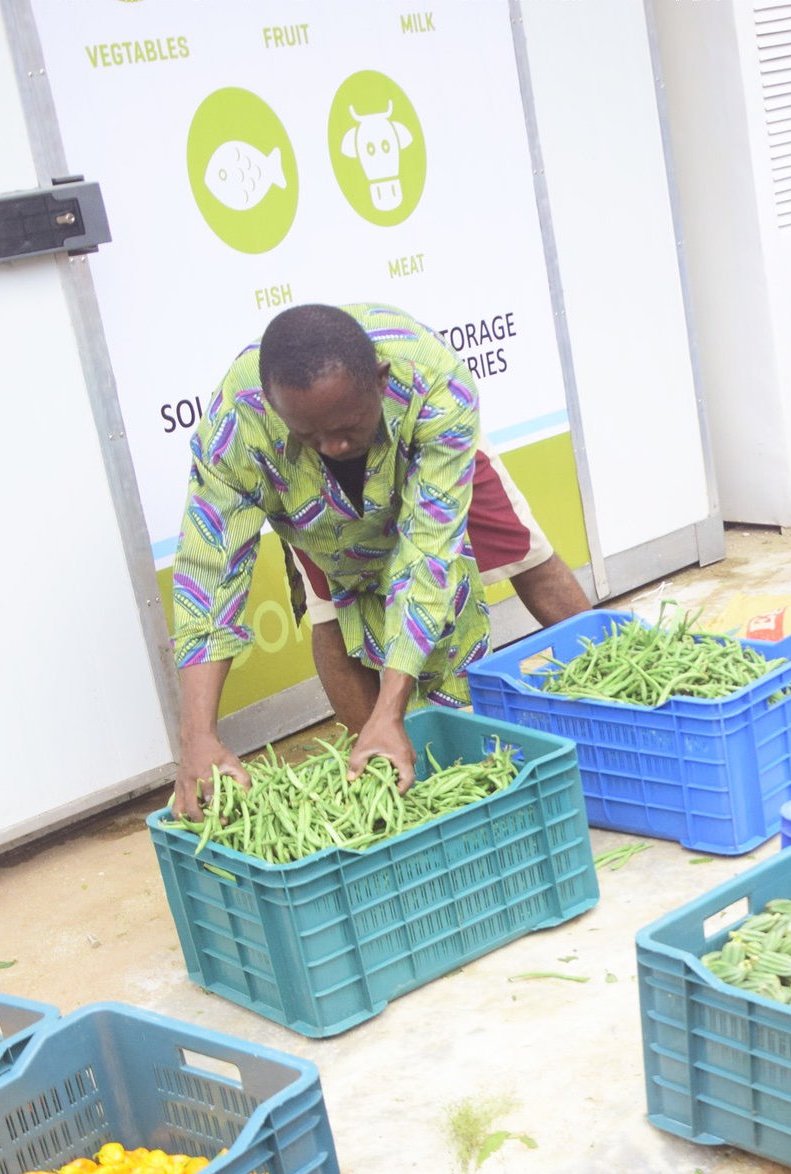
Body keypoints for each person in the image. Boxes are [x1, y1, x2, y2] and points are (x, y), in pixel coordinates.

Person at [169, 302, 591, 818]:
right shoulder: (238, 427)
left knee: (519, 550)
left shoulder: (436, 385)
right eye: (311, 435)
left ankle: (605, 682)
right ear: (276, 411)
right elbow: (209, 576)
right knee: (331, 607)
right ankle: (381, 769)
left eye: (347, 425)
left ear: (380, 380)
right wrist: (198, 738)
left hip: (424, 460)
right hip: (312, 502)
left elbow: (427, 560)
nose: (334, 445)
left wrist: (393, 703)